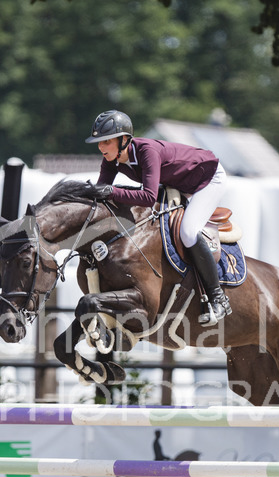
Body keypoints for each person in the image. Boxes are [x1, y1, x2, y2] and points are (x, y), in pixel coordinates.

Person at [85, 109, 232, 324]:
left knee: (188, 232)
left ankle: (219, 299)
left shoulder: (146, 151)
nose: (101, 147)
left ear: (124, 139)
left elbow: (147, 196)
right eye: (99, 142)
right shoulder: (111, 159)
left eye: (106, 141)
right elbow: (103, 192)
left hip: (208, 178)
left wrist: (111, 192)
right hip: (179, 183)